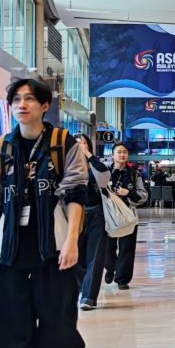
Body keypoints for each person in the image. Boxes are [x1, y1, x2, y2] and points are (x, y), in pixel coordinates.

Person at [0, 77, 88, 348]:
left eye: (29, 99)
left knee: (57, 321)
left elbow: (76, 194)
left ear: (44, 106)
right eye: (16, 100)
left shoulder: (63, 144)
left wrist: (72, 240)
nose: (21, 105)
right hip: (11, 251)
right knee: (12, 323)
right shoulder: (1, 149)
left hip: (53, 249)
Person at [103, 143, 148, 290]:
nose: (122, 155)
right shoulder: (105, 172)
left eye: (125, 152)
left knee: (127, 248)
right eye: (119, 152)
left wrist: (128, 193)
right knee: (107, 248)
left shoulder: (134, 174)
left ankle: (122, 279)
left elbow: (143, 196)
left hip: (128, 214)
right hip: (108, 215)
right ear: (113, 155)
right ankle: (110, 268)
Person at [75, 133, 111, 310]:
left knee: (94, 257)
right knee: (76, 256)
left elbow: (104, 177)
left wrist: (89, 155)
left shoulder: (94, 164)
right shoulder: (66, 164)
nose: (79, 145)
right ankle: (81, 289)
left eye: (83, 143)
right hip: (74, 216)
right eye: (76, 143)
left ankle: (88, 297)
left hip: (96, 213)